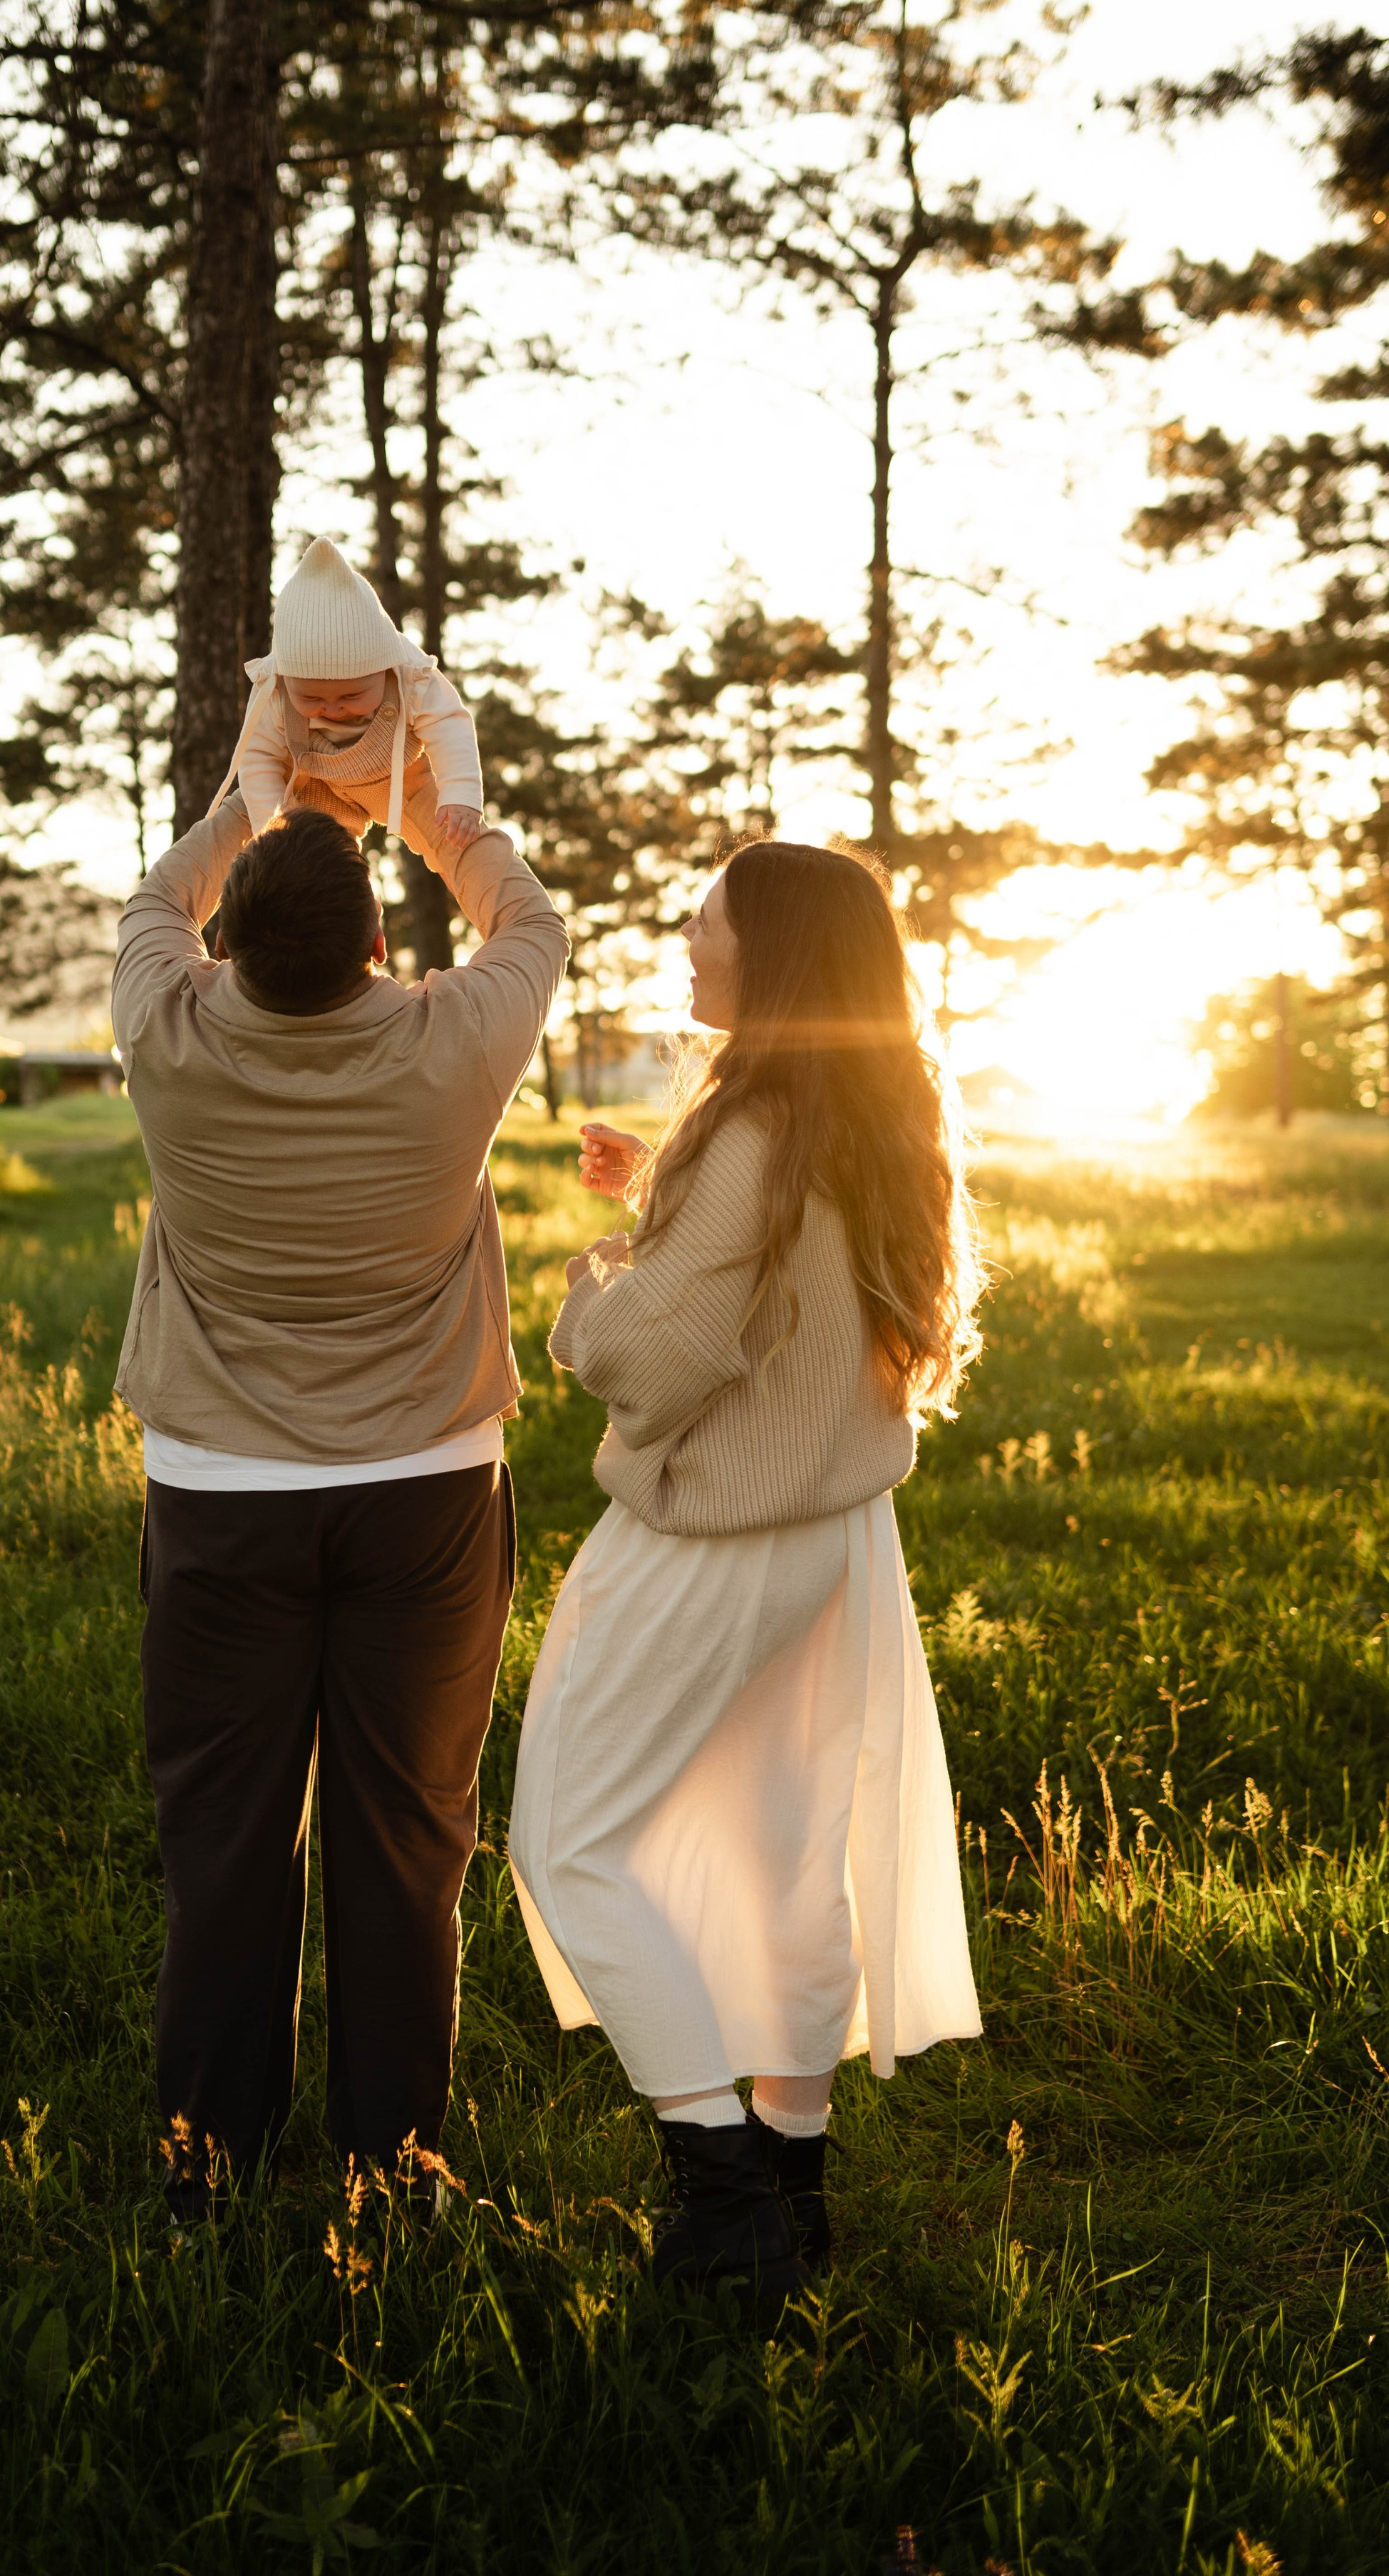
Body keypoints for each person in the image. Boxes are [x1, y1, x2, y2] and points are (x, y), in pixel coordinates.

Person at [509, 838, 984, 2315]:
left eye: (703, 919)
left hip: (713, 1538)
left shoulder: (757, 1128)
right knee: (789, 1859)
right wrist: (665, 1194)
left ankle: (717, 2195)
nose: (685, 938)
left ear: (767, 954)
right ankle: (790, 2183)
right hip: (836, 1544)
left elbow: (655, 1357)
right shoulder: (864, 1108)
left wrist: (595, 1282)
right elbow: (788, 1275)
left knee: (568, 1838)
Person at [111, 699, 567, 2215]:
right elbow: (528, 916)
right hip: (427, 1499)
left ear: (227, 951)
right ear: (381, 951)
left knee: (227, 1837)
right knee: (407, 1834)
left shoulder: (163, 1035)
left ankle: (203, 2166)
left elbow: (152, 901)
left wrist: (252, 794)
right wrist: (441, 797)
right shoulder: (455, 1041)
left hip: (222, 1501)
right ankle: (394, 2163)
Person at [210, 535, 485, 847]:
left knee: (467, 846)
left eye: (351, 696)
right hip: (312, 789)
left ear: (383, 669)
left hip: (399, 779)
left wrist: (461, 792)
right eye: (312, 699)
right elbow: (258, 757)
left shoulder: (411, 674)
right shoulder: (274, 689)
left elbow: (449, 724)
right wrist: (272, 828)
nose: (333, 708)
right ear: (286, 681)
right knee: (323, 864)